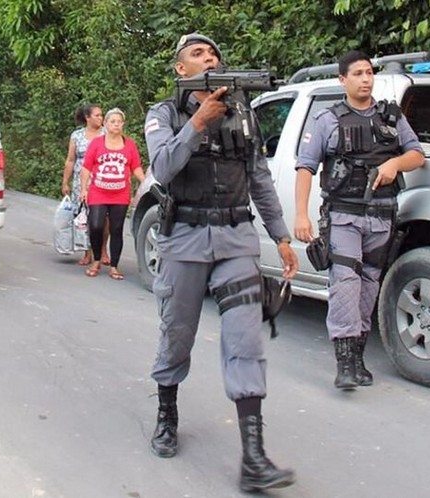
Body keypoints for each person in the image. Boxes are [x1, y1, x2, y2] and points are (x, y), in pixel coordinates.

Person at [144, 33, 298, 492]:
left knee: (246, 341)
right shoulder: (164, 114)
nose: (209, 58)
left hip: (236, 240)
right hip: (184, 239)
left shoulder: (243, 113)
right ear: (181, 69)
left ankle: (254, 457)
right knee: (177, 334)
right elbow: (162, 168)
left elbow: (259, 179)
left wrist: (281, 237)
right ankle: (167, 413)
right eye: (198, 54)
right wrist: (197, 124)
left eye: (213, 53)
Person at [294, 49, 425, 390]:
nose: (366, 79)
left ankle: (358, 358)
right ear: (343, 80)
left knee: (368, 287)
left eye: (369, 73)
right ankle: (344, 365)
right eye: (358, 74)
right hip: (344, 216)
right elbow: (305, 167)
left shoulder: (391, 116)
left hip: (382, 216)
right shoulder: (328, 119)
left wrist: (395, 163)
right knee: (345, 284)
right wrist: (301, 215)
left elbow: (416, 154)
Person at [80, 108, 145, 279]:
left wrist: (145, 184)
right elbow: (86, 167)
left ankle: (114, 266)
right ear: (105, 124)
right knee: (95, 225)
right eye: (112, 121)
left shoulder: (130, 144)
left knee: (116, 229)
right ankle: (96, 259)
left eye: (119, 122)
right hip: (98, 191)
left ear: (123, 124)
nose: (116, 125)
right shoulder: (96, 143)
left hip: (120, 194)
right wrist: (84, 189)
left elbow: (136, 167)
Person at [62, 104, 110, 265]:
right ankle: (87, 252)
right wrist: (65, 182)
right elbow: (71, 160)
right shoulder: (77, 136)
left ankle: (103, 250)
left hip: (102, 179)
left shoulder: (106, 134)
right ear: (87, 118)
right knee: (85, 217)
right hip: (80, 181)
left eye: (101, 115)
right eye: (97, 115)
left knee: (104, 217)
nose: (100, 118)